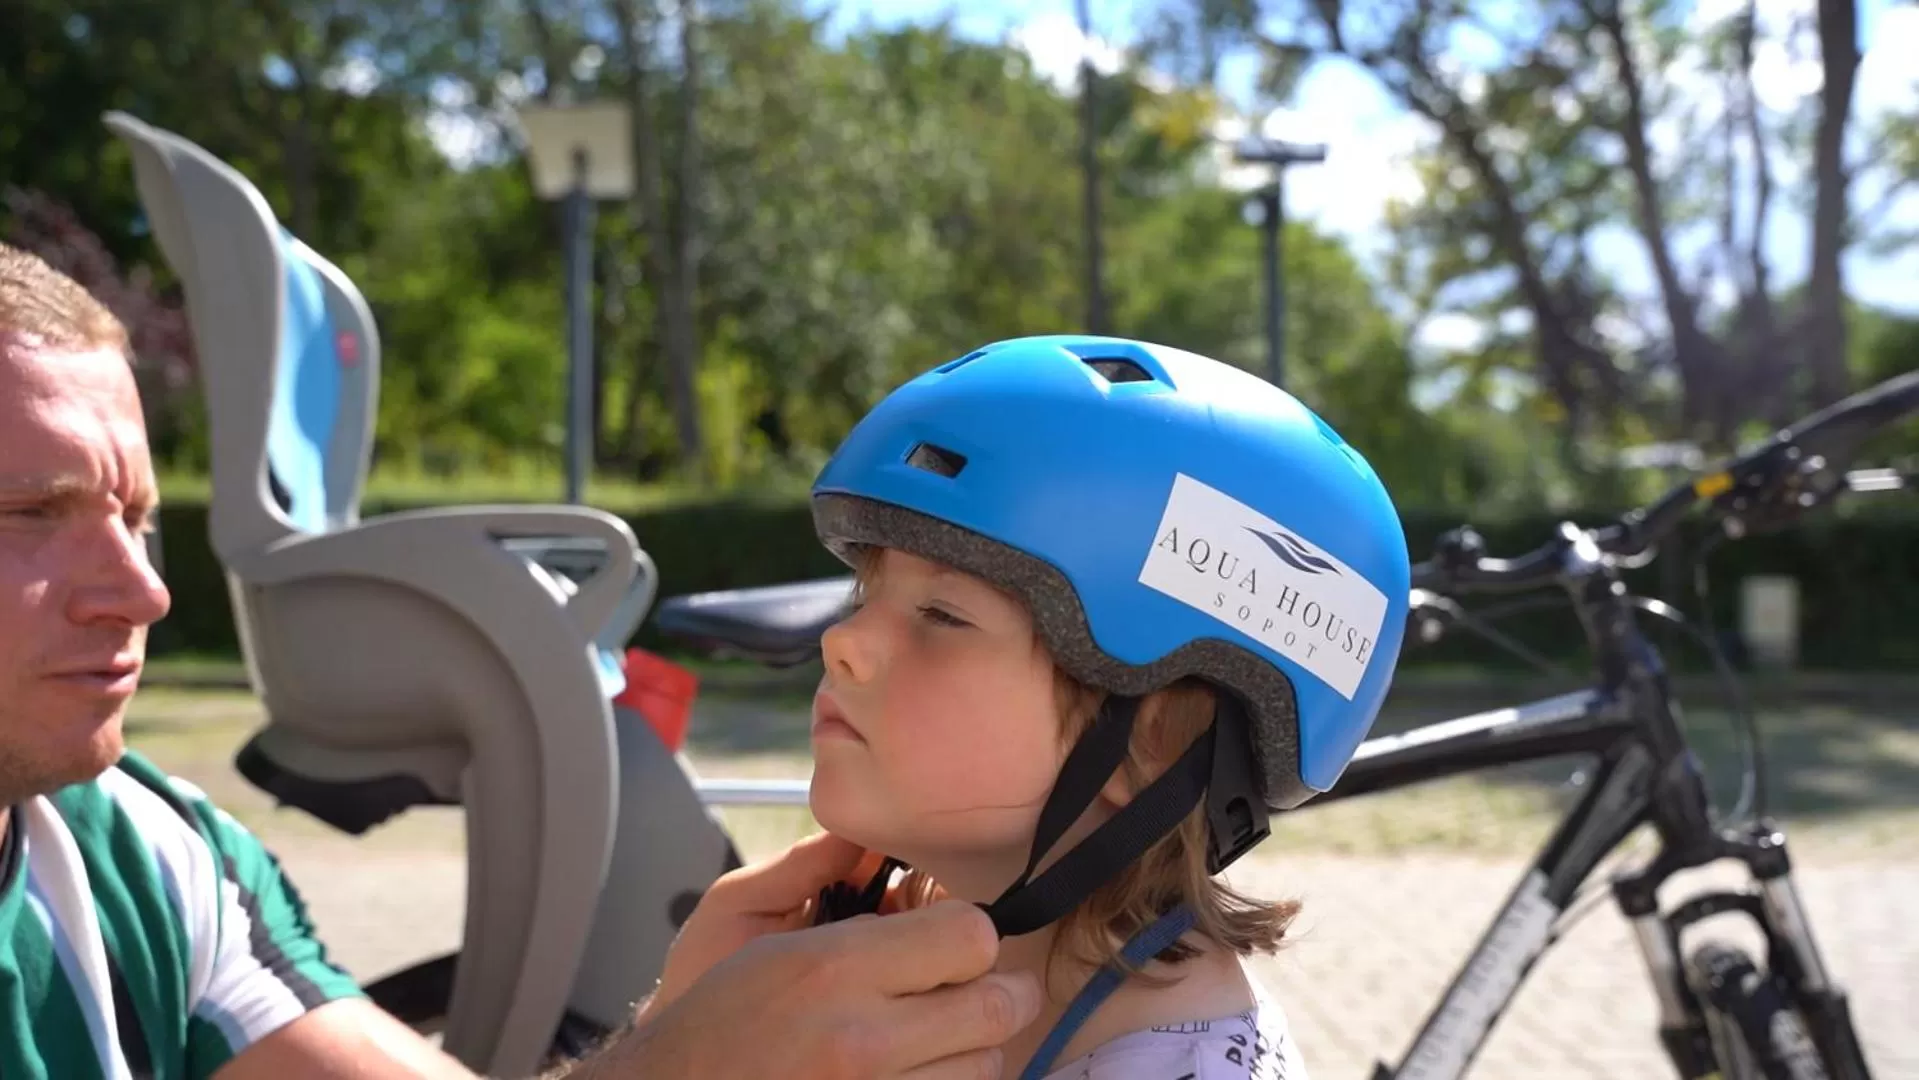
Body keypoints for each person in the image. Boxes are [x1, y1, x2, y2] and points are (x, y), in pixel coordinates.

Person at [0, 241, 1043, 1080]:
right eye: (35, 514)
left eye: (138, 519)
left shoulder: (144, 855)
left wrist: (671, 1047)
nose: (144, 590)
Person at [775, 335, 1412, 1078]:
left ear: (1152, 745)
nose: (842, 642)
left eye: (943, 616)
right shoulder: (915, 945)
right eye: (864, 595)